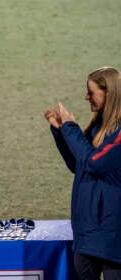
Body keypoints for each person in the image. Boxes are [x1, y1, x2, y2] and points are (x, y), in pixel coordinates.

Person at [44, 66, 121, 279]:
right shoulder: (97, 127)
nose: (86, 97)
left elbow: (95, 163)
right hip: (87, 233)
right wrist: (61, 133)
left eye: (91, 92)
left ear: (109, 93)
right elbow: (78, 165)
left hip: (112, 237)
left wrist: (71, 128)